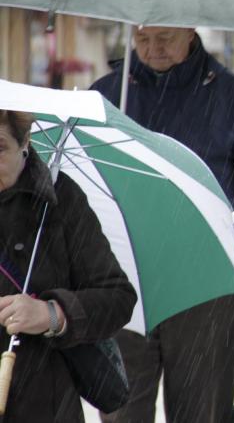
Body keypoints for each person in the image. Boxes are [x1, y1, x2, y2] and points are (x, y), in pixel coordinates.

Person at [91, 26, 234, 423]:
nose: (153, 49)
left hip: (206, 283)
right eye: (142, 39)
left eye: (165, 37)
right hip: (124, 282)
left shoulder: (231, 97)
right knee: (121, 413)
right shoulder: (106, 97)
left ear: (189, 32)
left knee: (202, 414)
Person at [0, 109, 137, 421]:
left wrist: (52, 314)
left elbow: (117, 297)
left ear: (25, 141)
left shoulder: (60, 200)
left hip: (46, 405)